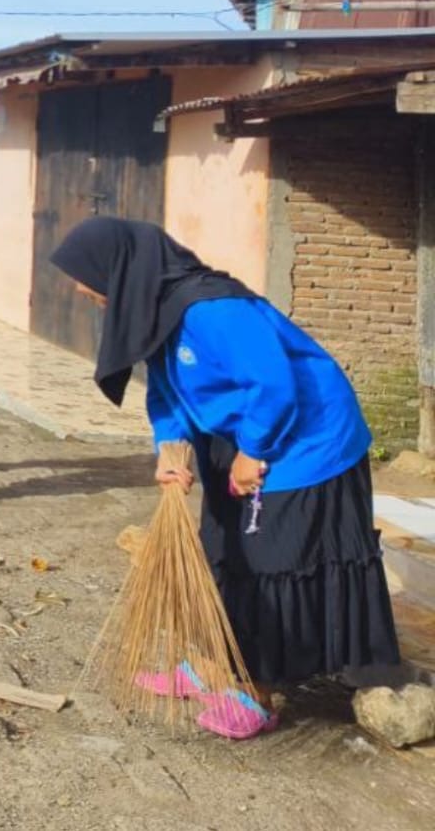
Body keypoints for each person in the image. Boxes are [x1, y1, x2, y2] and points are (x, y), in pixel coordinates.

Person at [49, 216, 400, 739]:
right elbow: (166, 390)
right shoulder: (157, 312)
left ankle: (258, 690)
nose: (81, 288)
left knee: (269, 562)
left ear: (120, 269)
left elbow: (273, 383)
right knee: (221, 547)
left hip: (305, 438)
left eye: (86, 275)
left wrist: (254, 450)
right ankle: (214, 661)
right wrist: (170, 450)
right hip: (240, 434)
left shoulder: (214, 309)